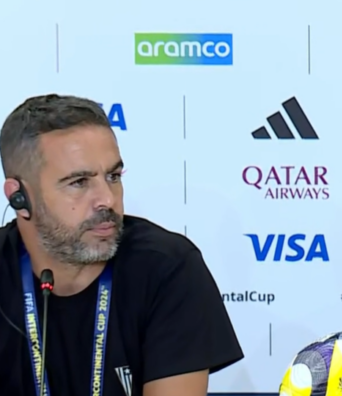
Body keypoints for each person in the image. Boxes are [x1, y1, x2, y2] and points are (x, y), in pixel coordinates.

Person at [0, 95, 244, 396]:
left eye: (113, 176)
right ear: (19, 197)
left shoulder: (168, 268)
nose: (107, 199)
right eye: (79, 182)